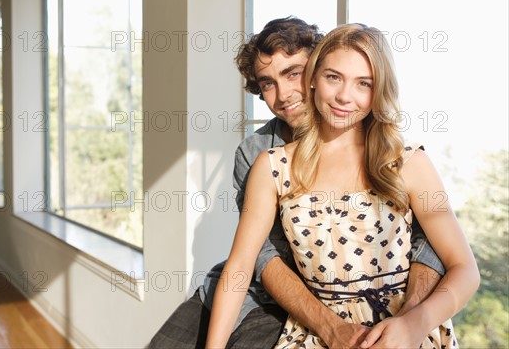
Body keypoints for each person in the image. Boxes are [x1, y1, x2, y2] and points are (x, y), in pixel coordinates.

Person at [149, 18, 445, 349]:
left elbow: (433, 243)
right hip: (258, 289)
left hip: (306, 308)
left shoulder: (389, 152)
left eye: (293, 73)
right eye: (268, 83)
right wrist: (331, 327)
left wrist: (412, 320)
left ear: (319, 71)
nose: (284, 94)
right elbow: (258, 256)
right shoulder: (258, 155)